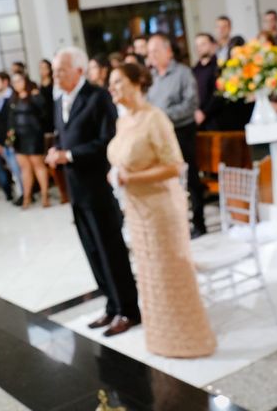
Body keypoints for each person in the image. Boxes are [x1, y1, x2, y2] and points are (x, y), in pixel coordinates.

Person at [107, 63, 216, 358]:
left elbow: (174, 166)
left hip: (161, 209)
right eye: (110, 83)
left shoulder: (155, 119)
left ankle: (188, 338)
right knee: (150, 274)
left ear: (136, 83)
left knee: (170, 271)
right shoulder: (123, 122)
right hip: (137, 209)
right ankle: (161, 337)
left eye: (117, 82)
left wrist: (130, 178)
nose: (112, 88)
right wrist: (116, 173)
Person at [46, 47, 140, 337]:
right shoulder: (61, 100)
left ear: (78, 70)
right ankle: (111, 306)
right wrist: (57, 152)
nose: (56, 75)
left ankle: (129, 309)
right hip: (76, 191)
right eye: (54, 70)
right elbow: (63, 138)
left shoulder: (97, 97)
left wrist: (70, 155)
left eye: (61, 70)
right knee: (93, 252)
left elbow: (106, 142)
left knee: (111, 251)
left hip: (98, 187)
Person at [146, 33, 206, 237]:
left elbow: (190, 104)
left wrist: (163, 116)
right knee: (169, 181)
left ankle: (199, 223)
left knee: (190, 178)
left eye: (155, 51)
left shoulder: (182, 73)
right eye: (149, 52)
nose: (151, 55)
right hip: (160, 136)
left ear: (168, 51)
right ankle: (178, 223)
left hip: (182, 131)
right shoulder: (151, 78)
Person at [9, 73, 50, 208]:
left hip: (33, 135)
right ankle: (26, 197)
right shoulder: (13, 99)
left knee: (38, 165)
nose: (17, 84)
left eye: (19, 80)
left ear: (25, 80)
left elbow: (44, 112)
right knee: (24, 168)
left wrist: (36, 96)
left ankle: (45, 196)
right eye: (14, 82)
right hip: (19, 138)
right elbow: (11, 119)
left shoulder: (34, 95)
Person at [0, 72, 23, 201]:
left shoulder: (13, 98)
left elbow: (11, 123)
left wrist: (9, 141)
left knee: (18, 169)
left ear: (5, 82)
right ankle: (20, 192)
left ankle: (25, 193)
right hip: (4, 141)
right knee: (13, 170)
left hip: (13, 140)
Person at [192, 33, 220, 130]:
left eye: (203, 44)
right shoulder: (194, 70)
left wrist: (205, 112)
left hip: (216, 118)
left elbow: (218, 93)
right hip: (197, 118)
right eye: (197, 45)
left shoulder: (219, 67)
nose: (200, 48)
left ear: (213, 45)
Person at [38, 59, 55, 132]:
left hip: (53, 113)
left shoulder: (54, 83)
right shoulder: (39, 85)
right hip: (44, 116)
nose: (42, 70)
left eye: (44, 68)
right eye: (40, 68)